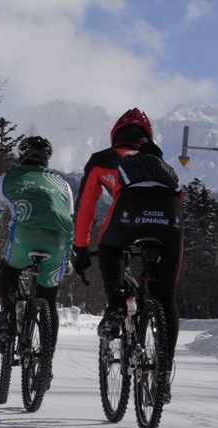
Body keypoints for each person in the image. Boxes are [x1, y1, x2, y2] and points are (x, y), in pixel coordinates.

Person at [72, 108, 183, 403]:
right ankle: (162, 372)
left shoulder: (102, 161)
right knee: (166, 296)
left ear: (115, 135)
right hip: (169, 220)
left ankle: (116, 305)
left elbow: (85, 210)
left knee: (110, 244)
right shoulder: (156, 162)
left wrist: (80, 250)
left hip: (128, 216)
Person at [0, 136, 74, 358]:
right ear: (47, 159)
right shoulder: (63, 185)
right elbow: (70, 223)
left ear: (21, 155)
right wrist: (68, 258)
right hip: (58, 243)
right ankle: (46, 362)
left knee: (10, 269)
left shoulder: (4, 180)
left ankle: (7, 314)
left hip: (23, 239)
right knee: (49, 302)